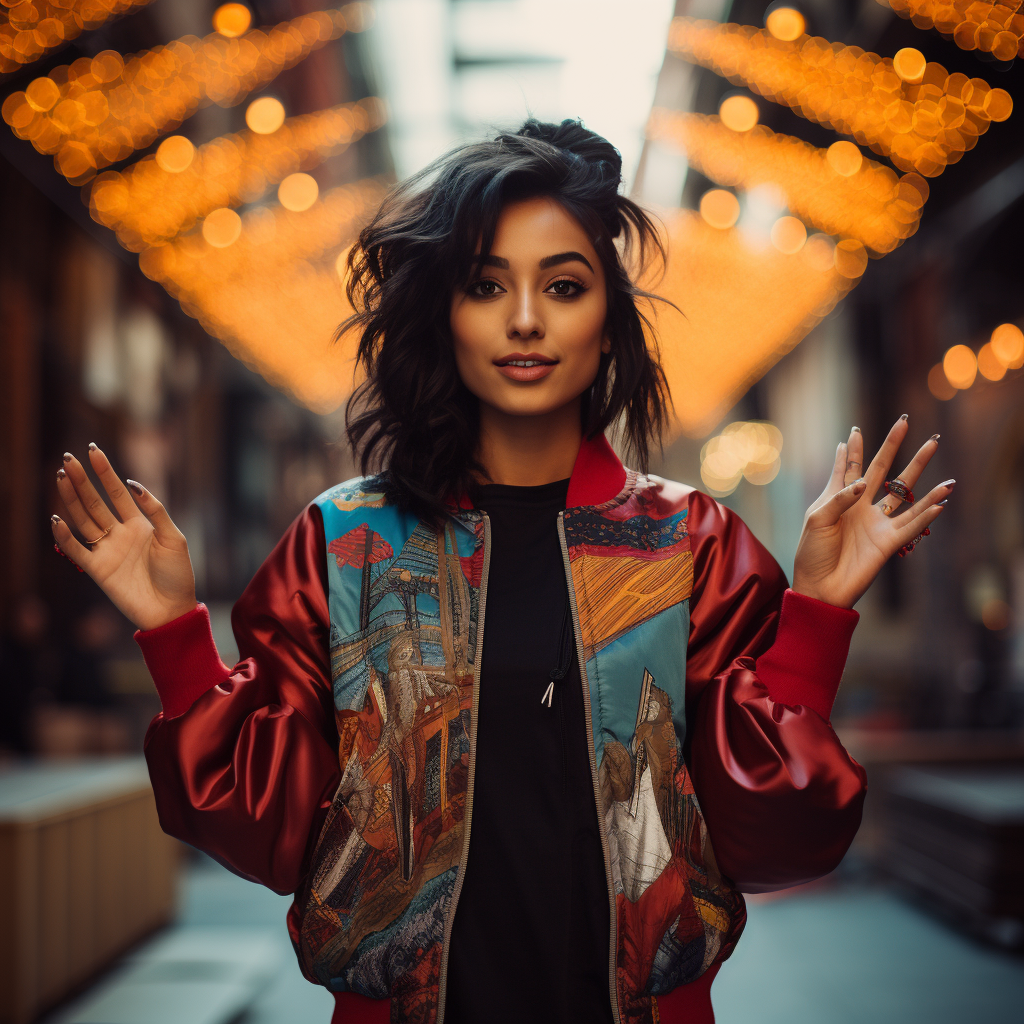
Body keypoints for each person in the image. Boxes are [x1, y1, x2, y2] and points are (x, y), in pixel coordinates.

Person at [51, 120, 951, 1024]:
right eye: (487, 285)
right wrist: (173, 632)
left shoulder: (691, 542)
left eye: (563, 286)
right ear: (446, 313)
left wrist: (820, 612)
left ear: (608, 324)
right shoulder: (346, 542)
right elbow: (268, 831)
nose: (526, 318)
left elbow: (776, 837)